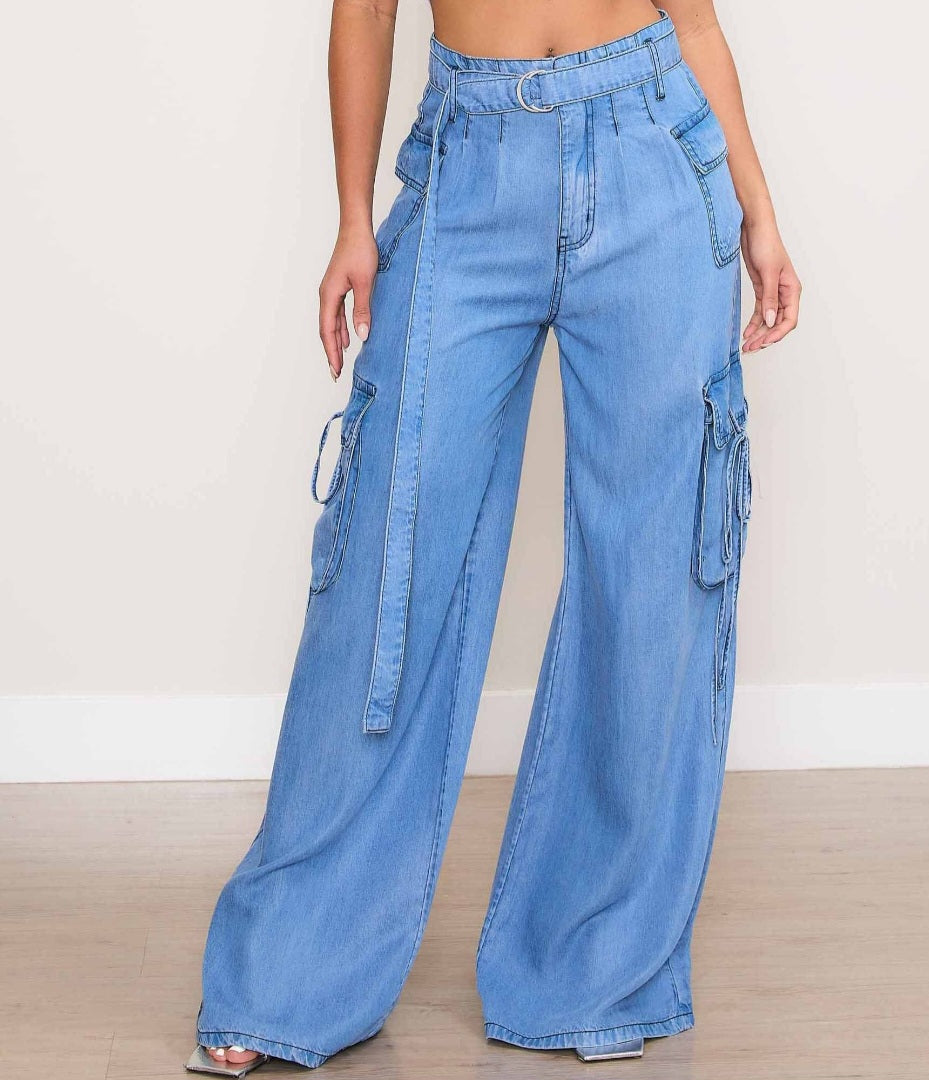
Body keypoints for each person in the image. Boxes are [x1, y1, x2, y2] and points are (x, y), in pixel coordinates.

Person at [189, 0, 800, 1073]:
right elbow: (365, 8)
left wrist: (759, 209)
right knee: (389, 571)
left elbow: (696, 22)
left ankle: (589, 973)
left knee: (649, 584)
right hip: (468, 165)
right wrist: (352, 219)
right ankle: (287, 977)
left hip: (656, 154)